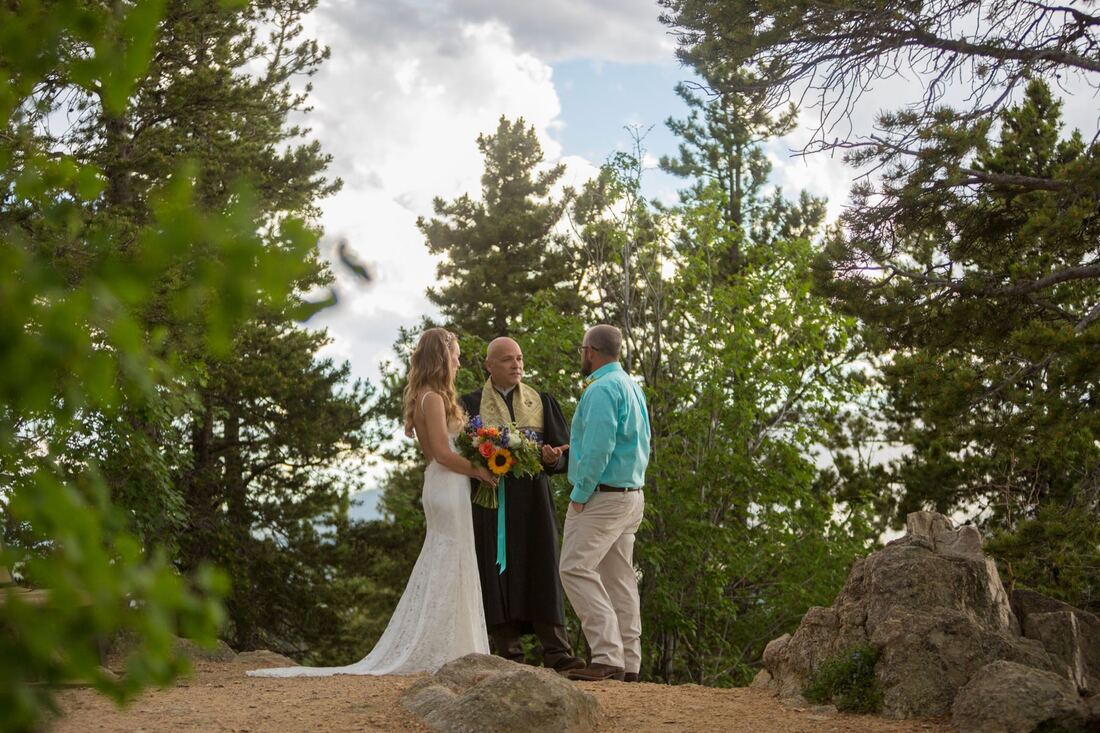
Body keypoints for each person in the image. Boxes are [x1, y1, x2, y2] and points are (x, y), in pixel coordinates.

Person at [248, 328, 495, 677]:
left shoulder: (426, 396)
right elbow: (441, 453)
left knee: (448, 555)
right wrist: (479, 470)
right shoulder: (433, 399)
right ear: (442, 357)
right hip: (447, 484)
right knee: (449, 556)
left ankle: (455, 643)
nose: (458, 361)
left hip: (444, 484)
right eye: (455, 354)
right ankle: (441, 645)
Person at [459, 337, 584, 673]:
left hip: (533, 501)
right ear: (489, 365)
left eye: (519, 358)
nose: (516, 365)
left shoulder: (541, 401)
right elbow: (460, 452)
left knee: (542, 566)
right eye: (507, 360)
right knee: (495, 569)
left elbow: (564, 454)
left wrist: (553, 458)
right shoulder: (469, 404)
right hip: (491, 500)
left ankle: (557, 651)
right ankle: (509, 652)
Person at [557, 325, 650, 683]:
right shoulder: (631, 386)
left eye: (582, 349)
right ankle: (630, 663)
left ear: (591, 351)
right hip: (631, 495)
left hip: (603, 497)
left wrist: (580, 494)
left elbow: (599, 448)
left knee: (574, 568)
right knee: (619, 578)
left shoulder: (601, 389)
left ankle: (608, 655)